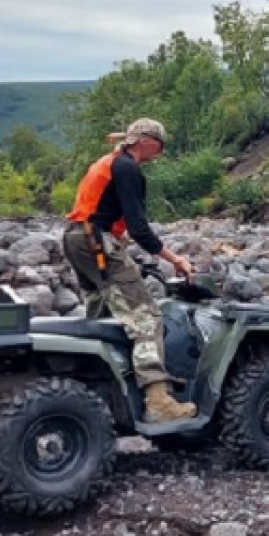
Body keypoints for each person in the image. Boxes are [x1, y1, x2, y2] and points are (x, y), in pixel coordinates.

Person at [63, 118, 198, 423]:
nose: (161, 152)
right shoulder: (127, 168)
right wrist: (174, 259)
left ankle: (94, 389)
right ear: (146, 141)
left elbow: (102, 212)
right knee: (146, 318)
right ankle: (158, 401)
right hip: (96, 243)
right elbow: (139, 228)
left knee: (99, 314)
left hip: (77, 239)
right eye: (160, 145)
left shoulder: (109, 162)